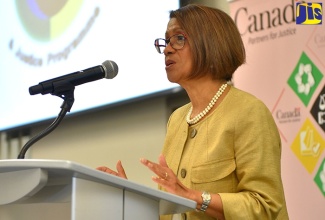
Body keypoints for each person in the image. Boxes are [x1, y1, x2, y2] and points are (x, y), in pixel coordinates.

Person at [97, 4, 289, 220]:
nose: (168, 49)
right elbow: (172, 208)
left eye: (179, 38)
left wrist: (197, 198)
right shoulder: (177, 120)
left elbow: (265, 206)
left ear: (211, 42)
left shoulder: (249, 112)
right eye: (166, 41)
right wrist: (132, 197)